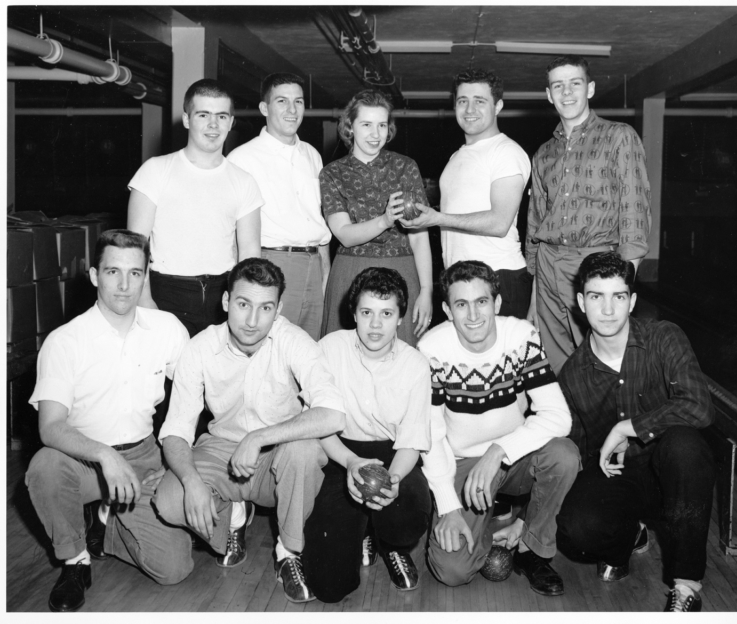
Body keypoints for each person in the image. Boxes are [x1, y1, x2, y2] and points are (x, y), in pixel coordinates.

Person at [152, 257, 346, 604]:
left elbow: (333, 415)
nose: (253, 321)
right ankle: (234, 516)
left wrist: (258, 438)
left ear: (279, 309)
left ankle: (288, 553)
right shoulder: (199, 348)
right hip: (221, 449)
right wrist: (192, 482)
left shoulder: (293, 340)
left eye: (265, 308)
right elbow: (177, 431)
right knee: (170, 500)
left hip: (278, 456)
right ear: (226, 302)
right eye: (243, 305)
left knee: (305, 450)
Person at [25, 230, 193, 612]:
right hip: (83, 461)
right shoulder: (64, 341)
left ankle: (107, 524)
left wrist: (175, 459)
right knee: (44, 467)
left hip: (145, 456)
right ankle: (75, 561)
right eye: (113, 272)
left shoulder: (166, 329)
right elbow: (50, 428)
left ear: (145, 275)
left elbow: (193, 396)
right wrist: (105, 456)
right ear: (94, 276)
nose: (124, 284)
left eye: (135, 273)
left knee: (174, 569)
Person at [555, 252, 715, 612]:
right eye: (597, 297)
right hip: (624, 482)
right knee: (575, 528)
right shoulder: (573, 375)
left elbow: (700, 406)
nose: (608, 310)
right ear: (581, 302)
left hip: (674, 480)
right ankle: (629, 534)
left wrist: (629, 427)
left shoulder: (663, 337)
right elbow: (577, 456)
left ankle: (686, 585)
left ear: (633, 301)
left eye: (619, 296)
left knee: (684, 445)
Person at [418, 260, 579, 596]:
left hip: (513, 458)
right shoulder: (431, 349)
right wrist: (447, 505)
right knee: (452, 570)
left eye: (481, 302)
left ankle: (531, 550)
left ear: (498, 303)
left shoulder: (520, 336)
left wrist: (499, 451)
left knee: (564, 455)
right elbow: (430, 436)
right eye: (461, 304)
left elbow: (558, 416)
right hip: (461, 463)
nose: (473, 315)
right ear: (447, 310)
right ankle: (488, 527)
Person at [303, 267, 432, 602]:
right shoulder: (328, 349)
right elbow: (317, 423)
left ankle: (391, 543)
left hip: (393, 455)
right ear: (354, 313)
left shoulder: (416, 365)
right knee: (330, 587)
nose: (376, 325)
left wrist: (394, 480)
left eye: (387, 314)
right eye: (367, 313)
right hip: (339, 452)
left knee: (407, 514)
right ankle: (361, 530)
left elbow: (412, 441)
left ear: (401, 317)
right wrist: (349, 463)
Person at [526, 55, 652, 375]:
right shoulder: (542, 153)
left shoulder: (619, 136)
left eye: (575, 83)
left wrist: (623, 282)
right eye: (558, 85)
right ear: (549, 94)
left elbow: (634, 208)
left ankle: (607, 424)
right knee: (557, 363)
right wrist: (534, 294)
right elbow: (535, 220)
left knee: (604, 360)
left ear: (590, 88)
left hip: (595, 260)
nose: (567, 92)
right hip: (547, 264)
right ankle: (569, 423)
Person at [127, 78, 263, 337]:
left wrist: (246, 306)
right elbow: (136, 248)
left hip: (222, 296)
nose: (214, 125)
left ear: (231, 122)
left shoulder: (244, 181)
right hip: (166, 293)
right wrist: (145, 301)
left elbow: (249, 255)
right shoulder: (155, 171)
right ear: (187, 119)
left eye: (222, 116)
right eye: (203, 115)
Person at [401, 69, 532, 320]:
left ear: (498, 106)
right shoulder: (457, 156)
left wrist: (437, 218)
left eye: (479, 101)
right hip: (460, 279)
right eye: (463, 101)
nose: (469, 109)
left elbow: (499, 222)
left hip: (497, 277)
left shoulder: (506, 152)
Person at [319, 88, 433, 347]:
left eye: (382, 125)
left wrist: (426, 291)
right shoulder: (332, 174)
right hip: (350, 273)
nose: (375, 134)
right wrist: (385, 220)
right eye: (366, 124)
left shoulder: (405, 167)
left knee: (403, 357)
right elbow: (345, 235)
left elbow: (419, 237)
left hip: (403, 270)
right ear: (350, 128)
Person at [228, 73, 331, 340]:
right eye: (282, 101)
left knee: (308, 352)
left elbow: (316, 217)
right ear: (264, 108)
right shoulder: (242, 158)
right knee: (269, 353)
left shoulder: (312, 154)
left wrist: (325, 271)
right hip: (271, 263)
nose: (292, 109)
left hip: (314, 264)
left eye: (298, 101)